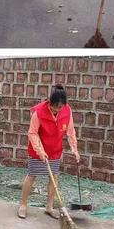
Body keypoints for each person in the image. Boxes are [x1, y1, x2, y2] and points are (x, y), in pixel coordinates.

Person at [18, 84, 79, 220]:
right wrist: (40, 151)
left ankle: (49, 207)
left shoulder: (67, 111)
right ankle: (23, 204)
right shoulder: (39, 112)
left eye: (60, 107)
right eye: (55, 106)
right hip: (38, 148)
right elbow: (32, 133)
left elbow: (70, 132)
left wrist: (74, 149)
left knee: (54, 177)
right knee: (32, 175)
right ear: (49, 102)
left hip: (55, 150)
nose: (57, 109)